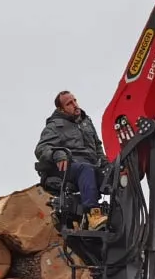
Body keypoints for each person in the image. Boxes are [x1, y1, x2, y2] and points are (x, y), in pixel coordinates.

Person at [34, 90, 105, 218]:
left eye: (75, 100)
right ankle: (93, 215)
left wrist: (107, 165)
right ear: (61, 109)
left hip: (91, 166)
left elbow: (98, 147)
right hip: (68, 167)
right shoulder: (55, 126)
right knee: (85, 169)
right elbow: (41, 148)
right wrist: (58, 154)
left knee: (116, 175)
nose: (75, 105)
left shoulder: (86, 123)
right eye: (69, 103)